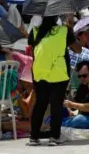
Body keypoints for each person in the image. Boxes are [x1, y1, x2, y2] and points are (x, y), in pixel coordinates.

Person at [27, 16, 81, 146]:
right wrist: (70, 29)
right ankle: (54, 136)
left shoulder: (34, 31)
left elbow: (33, 50)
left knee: (40, 103)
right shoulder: (64, 31)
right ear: (57, 16)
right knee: (56, 104)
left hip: (39, 71)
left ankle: (34, 137)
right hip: (58, 72)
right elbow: (78, 49)